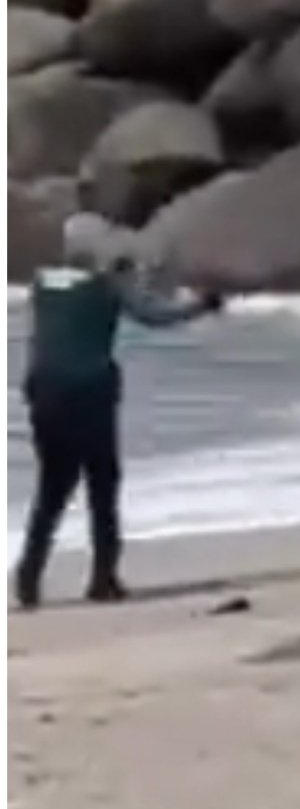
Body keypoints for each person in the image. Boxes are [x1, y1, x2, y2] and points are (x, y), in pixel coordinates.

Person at [12, 215, 224, 607]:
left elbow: (54, 325)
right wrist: (202, 305)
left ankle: (28, 576)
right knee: (102, 483)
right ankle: (103, 579)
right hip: (90, 391)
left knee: (52, 487)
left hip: (45, 391)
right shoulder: (109, 285)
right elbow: (153, 315)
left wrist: (123, 276)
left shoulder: (42, 285)